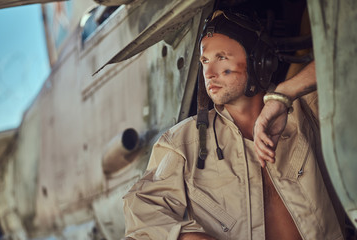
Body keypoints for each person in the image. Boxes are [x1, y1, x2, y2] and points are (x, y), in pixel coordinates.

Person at [123, 9, 344, 240]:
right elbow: (141, 216)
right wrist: (185, 237)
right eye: (204, 60)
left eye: (221, 58)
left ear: (258, 60)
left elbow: (345, 55)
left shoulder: (303, 112)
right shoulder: (183, 143)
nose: (208, 72)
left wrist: (285, 94)